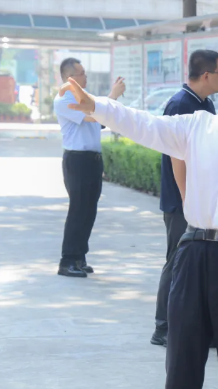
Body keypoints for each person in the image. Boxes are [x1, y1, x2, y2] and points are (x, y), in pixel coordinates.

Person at [61, 45, 218, 389]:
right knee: (181, 367)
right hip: (192, 255)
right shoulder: (198, 127)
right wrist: (97, 106)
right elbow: (144, 124)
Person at [150, 49, 218, 347]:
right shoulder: (180, 104)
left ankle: (198, 326)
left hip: (201, 199)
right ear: (206, 75)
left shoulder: (206, 103)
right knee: (177, 261)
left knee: (199, 263)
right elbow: (175, 157)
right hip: (182, 201)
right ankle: (163, 326)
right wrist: (186, 199)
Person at [54, 58, 125, 278]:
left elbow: (101, 120)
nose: (86, 77)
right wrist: (112, 95)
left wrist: (112, 99)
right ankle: (67, 260)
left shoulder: (85, 96)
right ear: (71, 78)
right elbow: (92, 116)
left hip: (92, 160)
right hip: (77, 161)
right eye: (82, 73)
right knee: (78, 210)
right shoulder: (64, 98)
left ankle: (79, 257)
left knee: (89, 210)